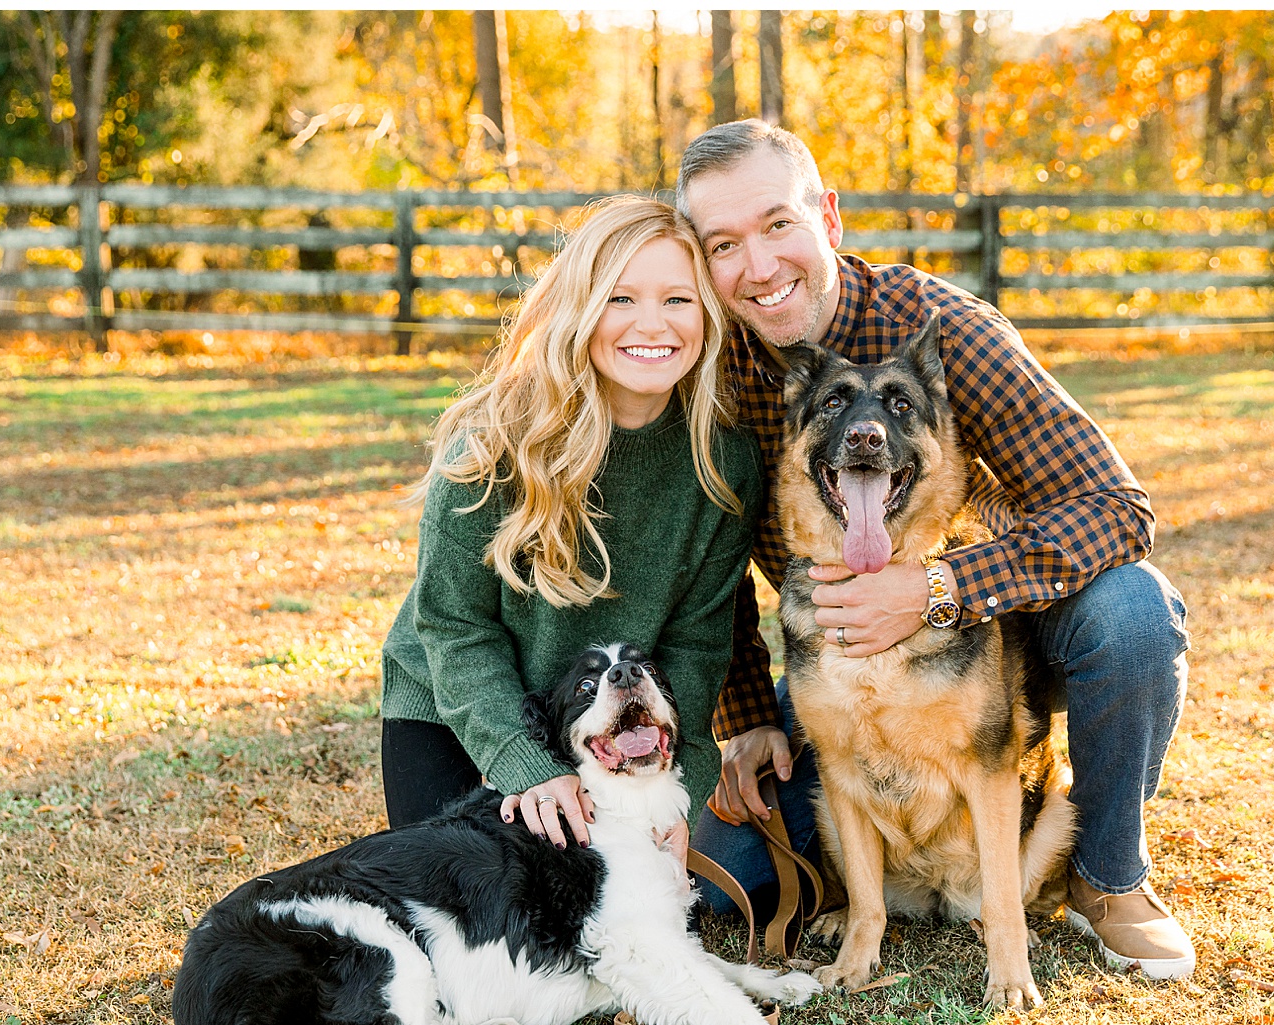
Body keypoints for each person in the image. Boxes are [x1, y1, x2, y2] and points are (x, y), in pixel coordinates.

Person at [675, 120, 1196, 981]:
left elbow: (1118, 507)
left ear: (828, 219)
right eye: (724, 244)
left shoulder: (944, 328)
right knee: (732, 876)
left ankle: (1107, 878)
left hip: (1002, 639)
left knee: (1135, 612)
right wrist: (747, 717)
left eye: (777, 225)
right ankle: (877, 876)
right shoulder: (711, 371)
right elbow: (710, 559)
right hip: (834, 656)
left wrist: (942, 586)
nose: (759, 267)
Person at [377, 196, 763, 853]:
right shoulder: (496, 444)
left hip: (619, 720)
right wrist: (527, 768)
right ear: (581, 307)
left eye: (679, 300)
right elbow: (454, 626)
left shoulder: (724, 463)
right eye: (620, 299)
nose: (653, 324)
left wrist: (678, 795)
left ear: (709, 316)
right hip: (460, 705)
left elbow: (694, 655)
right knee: (485, 916)